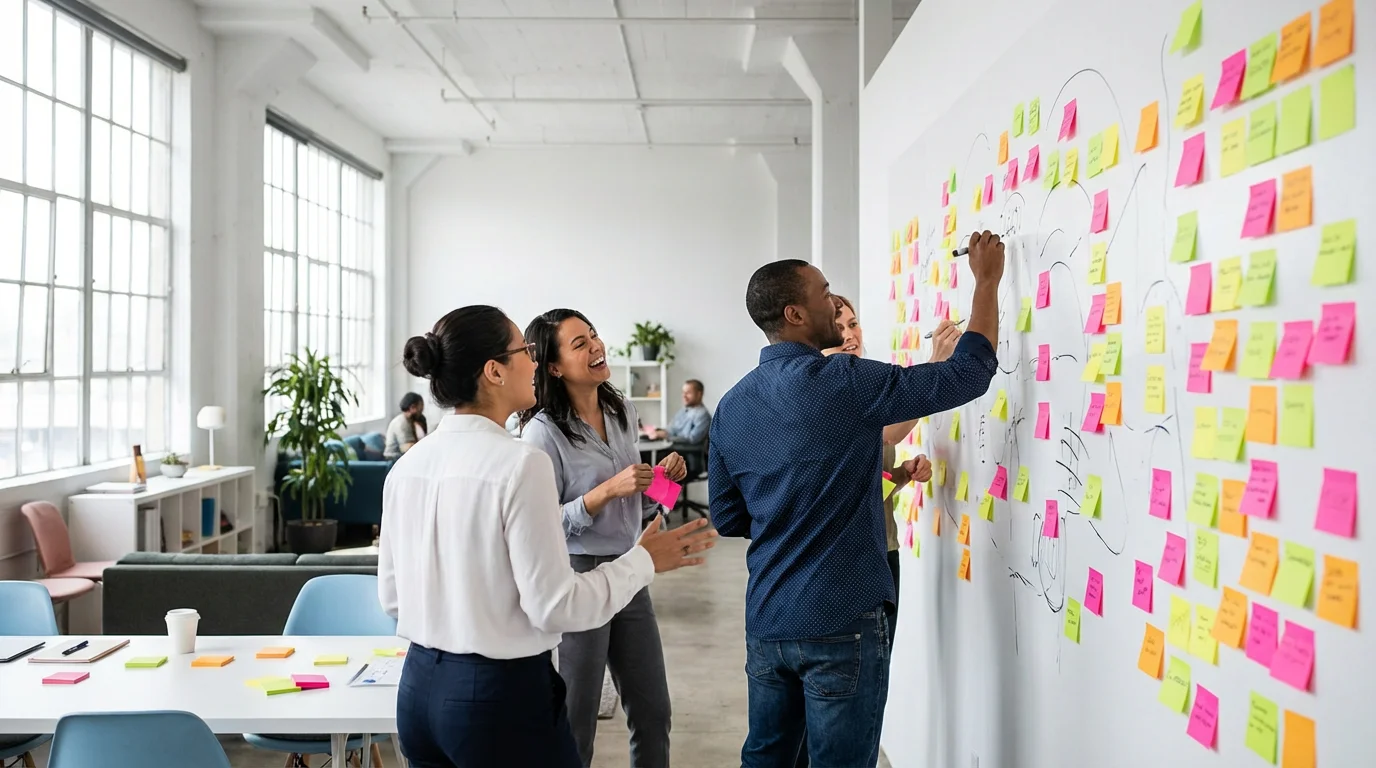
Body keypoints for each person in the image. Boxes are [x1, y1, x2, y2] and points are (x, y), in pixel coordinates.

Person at [709, 231, 1004, 768]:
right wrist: (986, 281)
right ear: (796, 313)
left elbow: (729, 517)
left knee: (769, 759)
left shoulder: (732, 405)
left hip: (769, 619)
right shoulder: (842, 381)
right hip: (841, 618)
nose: (834, 303)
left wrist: (790, 514)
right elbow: (968, 375)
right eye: (824, 294)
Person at [379, 305, 717, 768]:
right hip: (497, 688)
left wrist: (662, 488)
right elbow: (554, 605)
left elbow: (394, 599)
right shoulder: (523, 459)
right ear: (494, 371)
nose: (533, 363)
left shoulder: (407, 466)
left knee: (652, 710)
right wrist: (643, 560)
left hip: (418, 687)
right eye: (525, 351)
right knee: (576, 724)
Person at [519, 308, 690, 768]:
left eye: (593, 335)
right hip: (577, 575)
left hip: (630, 568)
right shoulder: (541, 434)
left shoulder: (621, 410)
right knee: (577, 718)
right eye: (579, 343)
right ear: (553, 366)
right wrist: (603, 492)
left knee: (654, 711)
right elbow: (539, 525)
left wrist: (668, 480)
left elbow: (644, 501)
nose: (596, 346)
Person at [822, 296, 962, 651]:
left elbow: (863, 480)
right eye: (838, 328)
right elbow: (888, 432)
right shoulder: (834, 389)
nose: (849, 335)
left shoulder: (861, 381)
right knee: (863, 673)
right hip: (854, 559)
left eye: (852, 323)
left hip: (883, 547)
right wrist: (936, 363)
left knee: (875, 668)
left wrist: (900, 474)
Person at [653, 380, 711, 449]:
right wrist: (658, 432)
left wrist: (667, 436)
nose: (684, 396)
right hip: (673, 448)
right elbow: (671, 429)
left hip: (684, 452)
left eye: (688, 393)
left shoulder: (703, 415)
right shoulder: (683, 411)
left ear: (699, 394)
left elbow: (692, 439)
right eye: (683, 392)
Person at [383, 392, 427, 459]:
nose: (422, 409)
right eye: (421, 405)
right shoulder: (402, 423)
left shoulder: (419, 420)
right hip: (394, 459)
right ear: (412, 407)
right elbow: (408, 447)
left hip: (406, 457)